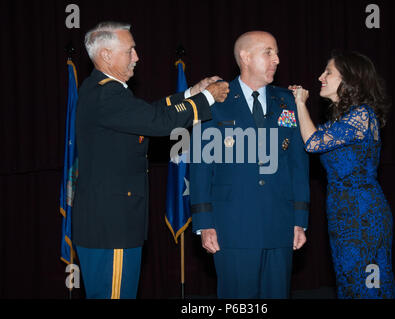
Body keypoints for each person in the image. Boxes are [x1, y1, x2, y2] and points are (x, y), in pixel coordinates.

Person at [72, 21, 229, 299]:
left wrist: (192, 93)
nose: (137, 57)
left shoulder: (101, 89)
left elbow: (149, 112)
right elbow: (158, 122)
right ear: (106, 55)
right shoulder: (106, 93)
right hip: (113, 229)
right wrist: (207, 98)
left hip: (108, 225)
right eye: (130, 50)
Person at [190, 31, 310, 299]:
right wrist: (204, 222)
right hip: (232, 227)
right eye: (268, 52)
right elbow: (200, 167)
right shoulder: (215, 101)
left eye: (276, 52)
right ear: (245, 57)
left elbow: (298, 165)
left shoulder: (288, 102)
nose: (277, 59)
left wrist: (299, 219)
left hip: (280, 225)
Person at [291, 50, 395, 298]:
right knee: (349, 283)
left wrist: (299, 103)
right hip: (343, 213)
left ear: (350, 80)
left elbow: (313, 143)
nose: (320, 77)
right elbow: (314, 137)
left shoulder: (362, 115)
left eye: (328, 72)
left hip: (364, 216)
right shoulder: (344, 120)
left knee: (368, 287)